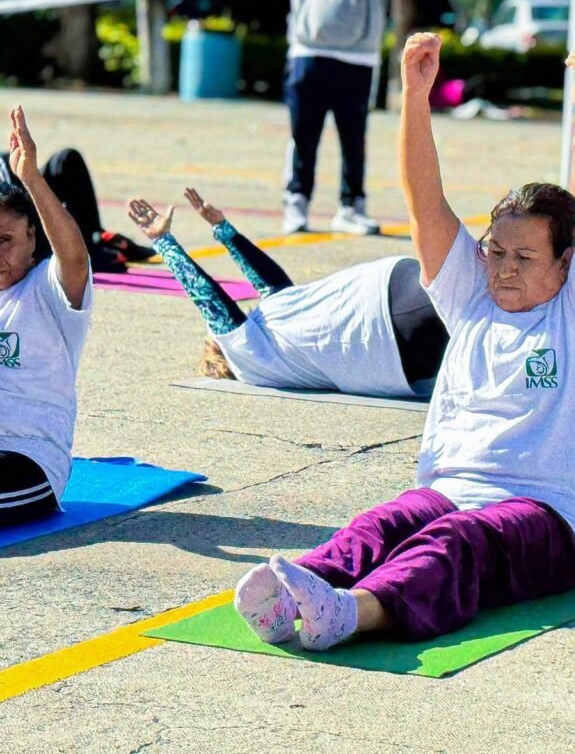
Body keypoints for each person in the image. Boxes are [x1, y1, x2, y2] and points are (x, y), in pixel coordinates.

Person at [230, 35, 575, 651]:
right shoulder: (471, 295)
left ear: (565, 262)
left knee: (453, 545)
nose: (505, 268)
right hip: (449, 490)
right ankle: (295, 592)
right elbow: (424, 202)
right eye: (495, 251)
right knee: (382, 524)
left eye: (524, 256)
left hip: (550, 518)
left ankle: (350, 613)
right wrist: (415, 93)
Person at [125, 188, 446, 398]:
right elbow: (208, 298)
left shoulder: (274, 339)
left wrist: (223, 229)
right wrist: (163, 241)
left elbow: (271, 284)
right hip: (382, 318)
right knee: (476, 275)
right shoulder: (244, 355)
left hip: (396, 345)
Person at [0, 107, 92, 525]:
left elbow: (74, 258)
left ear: (31, 237)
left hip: (28, 456)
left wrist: (32, 178)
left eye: (5, 240)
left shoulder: (46, 290)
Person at [282, 0, 387, 235]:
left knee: (354, 140)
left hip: (360, 56)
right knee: (303, 136)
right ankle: (296, 203)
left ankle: (351, 207)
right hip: (309, 49)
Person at [1, 146, 152, 272]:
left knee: (66, 159)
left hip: (21, 206)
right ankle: (91, 251)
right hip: (23, 234)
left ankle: (94, 240)